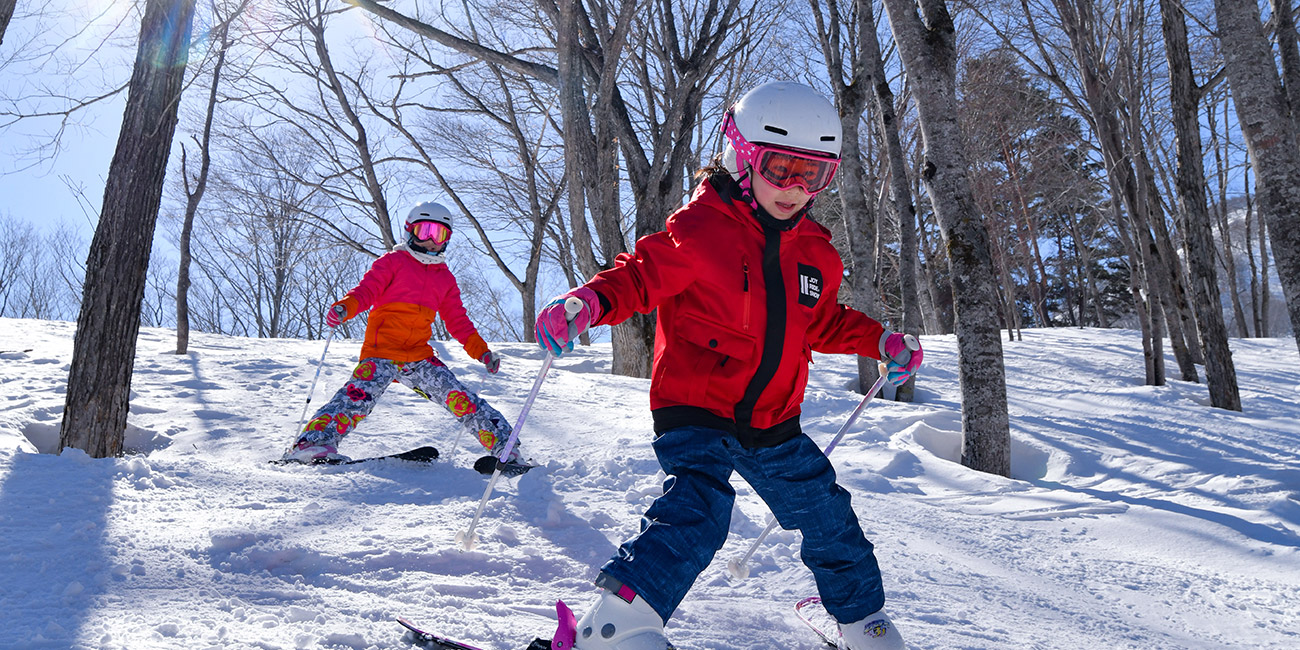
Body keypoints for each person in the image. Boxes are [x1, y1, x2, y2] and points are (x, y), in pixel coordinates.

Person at [534, 82, 922, 650]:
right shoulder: (700, 230)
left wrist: (880, 341)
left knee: (828, 516)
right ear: (743, 156)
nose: (794, 187)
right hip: (697, 407)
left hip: (773, 422)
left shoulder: (817, 254)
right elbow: (641, 276)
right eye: (780, 166)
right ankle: (614, 627)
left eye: (813, 174)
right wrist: (591, 302)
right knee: (701, 507)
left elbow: (823, 321)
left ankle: (865, 625)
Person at [282, 201, 523, 468]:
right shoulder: (393, 262)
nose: (431, 240)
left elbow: (458, 321)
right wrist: (345, 308)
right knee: (356, 398)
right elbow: (365, 292)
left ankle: (506, 446)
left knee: (461, 398)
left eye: (439, 234)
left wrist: (482, 351)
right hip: (381, 353)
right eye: (425, 231)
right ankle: (312, 443)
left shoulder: (444, 278)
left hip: (418, 357)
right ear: (410, 232)